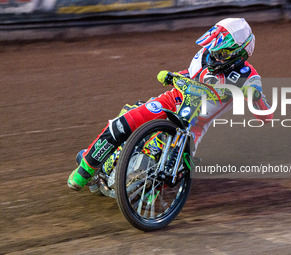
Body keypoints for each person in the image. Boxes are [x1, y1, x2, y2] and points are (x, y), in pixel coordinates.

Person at [68, 17, 274, 191]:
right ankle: (86, 170)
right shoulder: (204, 56)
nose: (213, 56)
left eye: (221, 54)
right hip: (172, 100)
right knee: (122, 123)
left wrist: (256, 98)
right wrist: (174, 76)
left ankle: (141, 185)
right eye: (212, 49)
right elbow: (194, 76)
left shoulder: (249, 78)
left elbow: (266, 117)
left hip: (194, 126)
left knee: (160, 168)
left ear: (240, 53)